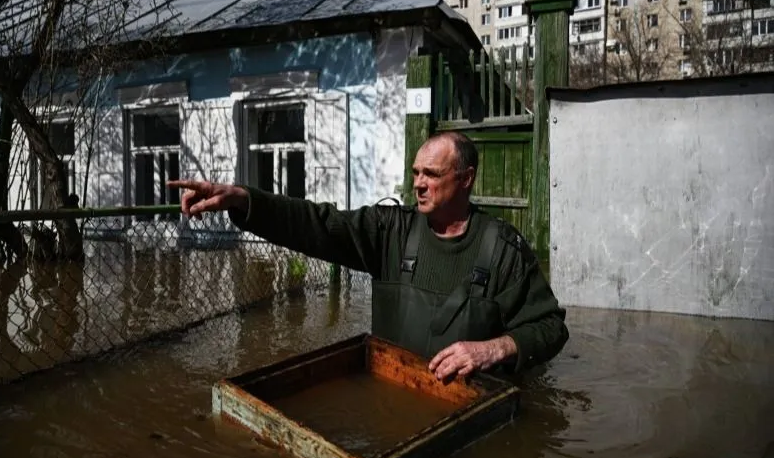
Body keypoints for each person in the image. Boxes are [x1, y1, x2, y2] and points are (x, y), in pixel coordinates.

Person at [167, 131, 568, 381]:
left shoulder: (502, 249)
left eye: (431, 174)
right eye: (415, 174)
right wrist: (245, 200)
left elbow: (550, 327)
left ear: (465, 179)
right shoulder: (390, 231)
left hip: (471, 412)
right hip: (396, 394)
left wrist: (493, 349)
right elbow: (318, 224)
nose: (419, 185)